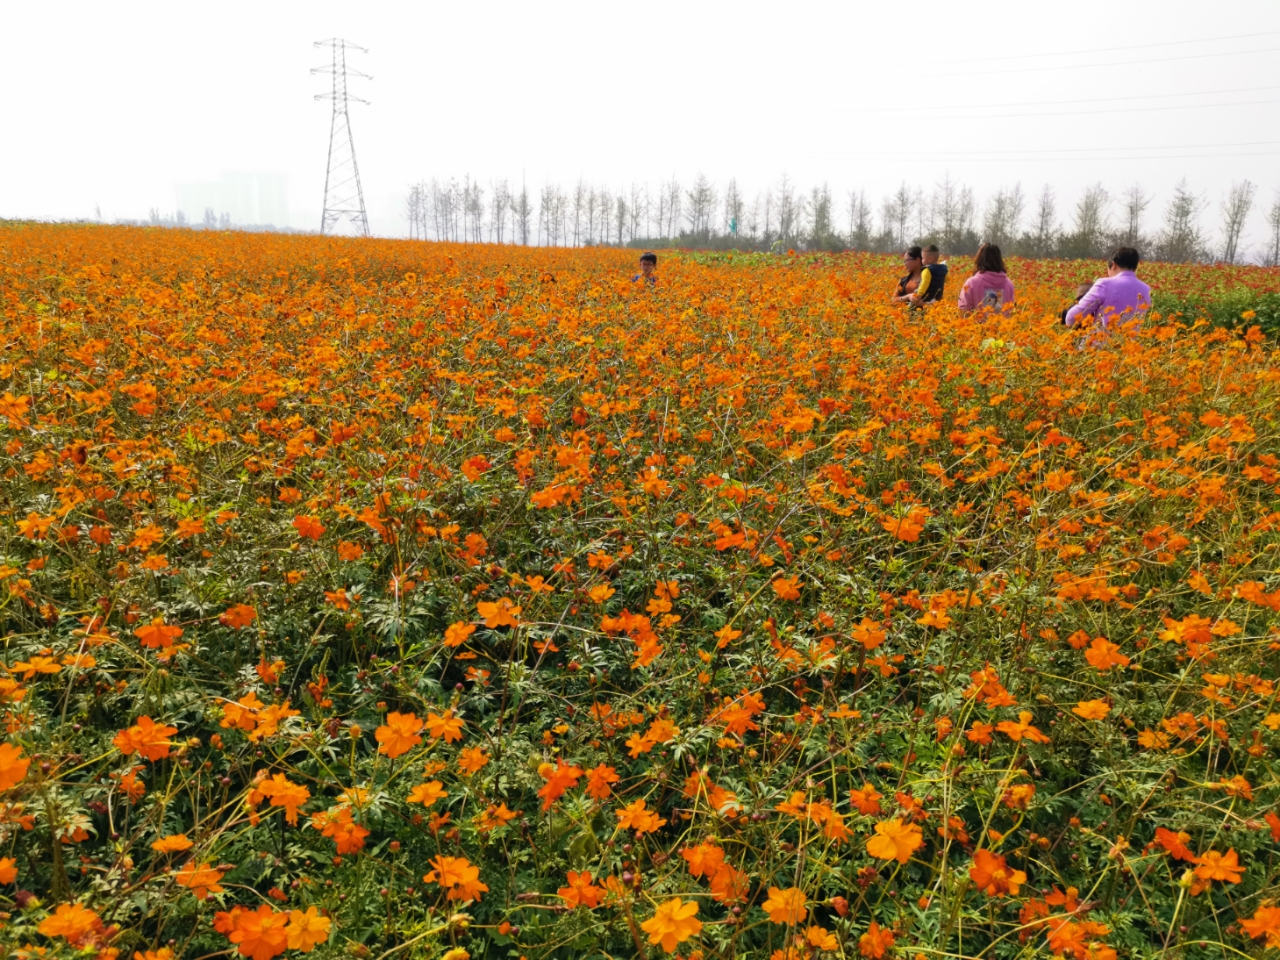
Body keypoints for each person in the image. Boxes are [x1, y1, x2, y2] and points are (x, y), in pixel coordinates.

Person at [1064, 247, 1151, 332]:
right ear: (1135, 267)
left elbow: (1071, 318)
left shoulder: (1104, 284)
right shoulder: (1146, 289)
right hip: (1131, 344)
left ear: (1113, 265)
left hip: (1100, 344)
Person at [957, 243, 1015, 313]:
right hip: (1005, 323)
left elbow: (963, 310)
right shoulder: (1009, 284)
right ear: (999, 260)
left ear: (979, 259)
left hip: (977, 323)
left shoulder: (971, 283)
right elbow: (1011, 310)